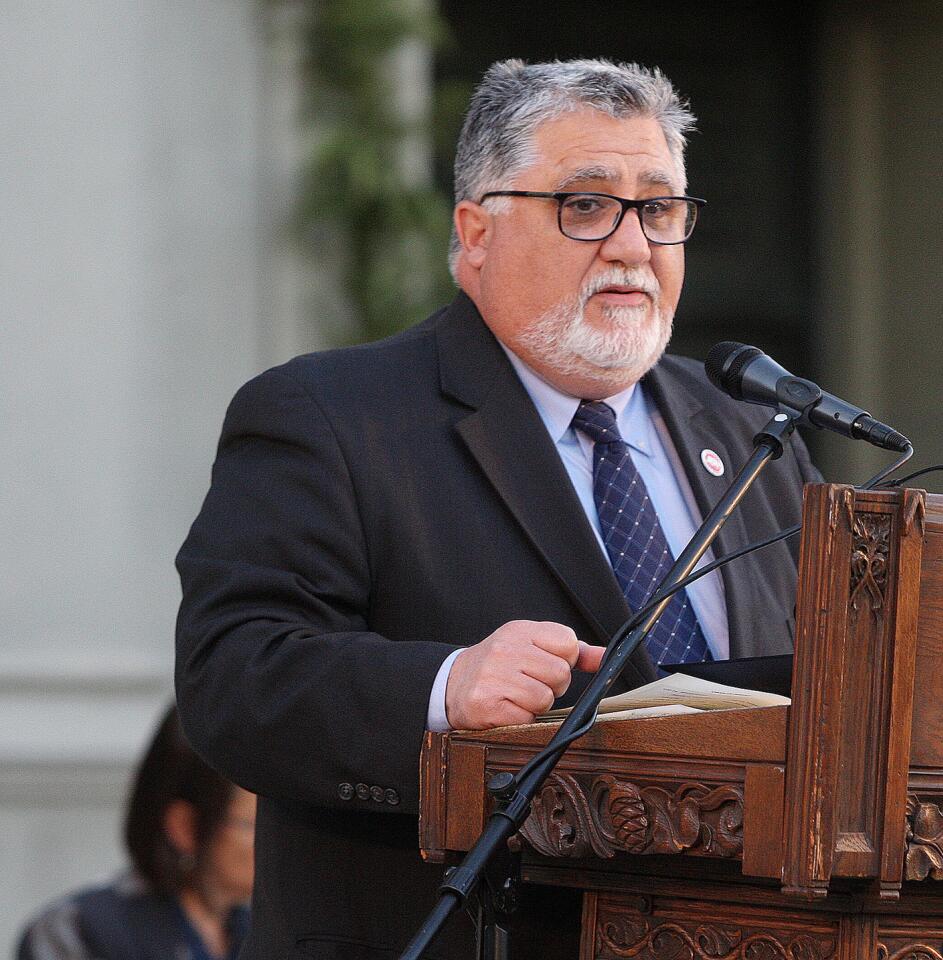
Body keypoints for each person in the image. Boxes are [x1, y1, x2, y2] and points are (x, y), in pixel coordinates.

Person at [174, 59, 820, 958]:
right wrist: (441, 688)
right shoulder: (331, 416)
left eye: (659, 209)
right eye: (586, 205)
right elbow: (232, 676)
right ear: (476, 232)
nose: (632, 244)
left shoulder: (755, 434)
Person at [16, 706, 253, 960]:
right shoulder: (74, 931)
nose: (279, 845)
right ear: (184, 827)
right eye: (252, 824)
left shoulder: (259, 932)